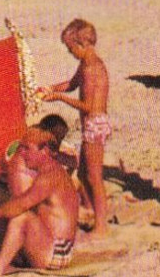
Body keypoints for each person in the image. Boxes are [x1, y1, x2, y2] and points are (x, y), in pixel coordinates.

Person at [0, 127, 82, 277]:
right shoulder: (44, 172)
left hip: (57, 250)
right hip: (43, 241)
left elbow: (22, 204)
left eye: (27, 148)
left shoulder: (51, 175)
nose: (22, 153)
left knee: (21, 218)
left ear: (44, 151)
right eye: (21, 148)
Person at [39, 19, 112, 233]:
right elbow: (72, 84)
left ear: (82, 44)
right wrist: (50, 89)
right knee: (82, 174)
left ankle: (101, 226)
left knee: (93, 176)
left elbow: (88, 105)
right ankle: (89, 209)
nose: (70, 53)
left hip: (95, 124)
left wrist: (60, 98)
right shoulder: (86, 64)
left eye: (70, 49)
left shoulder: (92, 69)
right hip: (91, 123)